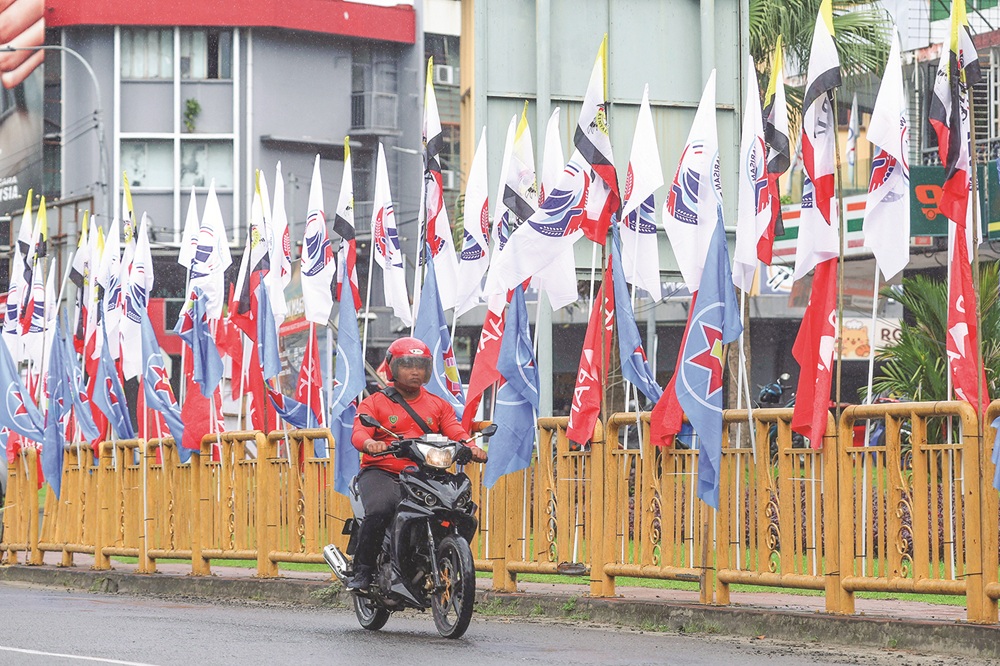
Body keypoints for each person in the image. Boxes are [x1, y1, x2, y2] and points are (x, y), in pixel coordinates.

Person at [347, 336, 486, 592]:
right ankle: (363, 570)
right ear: (392, 368)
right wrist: (370, 444)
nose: (414, 371)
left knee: (461, 509)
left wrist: (471, 446)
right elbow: (359, 432)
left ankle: (443, 558)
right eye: (407, 365)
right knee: (380, 510)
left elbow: (455, 430)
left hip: (426, 474)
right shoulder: (375, 403)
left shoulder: (437, 404)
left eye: (420, 365)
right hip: (383, 472)